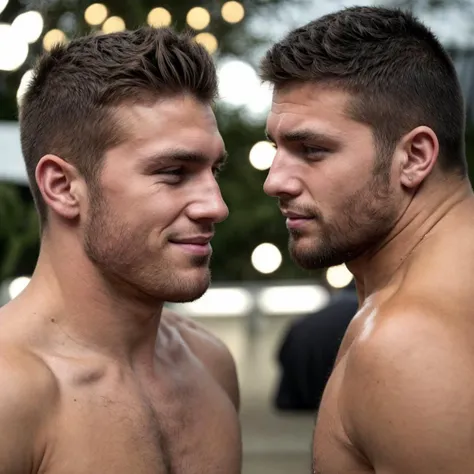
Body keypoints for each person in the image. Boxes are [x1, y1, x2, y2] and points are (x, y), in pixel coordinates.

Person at [0, 27, 242, 473]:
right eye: (173, 172)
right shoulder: (10, 392)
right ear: (63, 187)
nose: (216, 205)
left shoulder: (211, 365)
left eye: (213, 170)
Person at [260, 5, 474, 473]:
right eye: (277, 148)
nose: (275, 181)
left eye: (311, 149)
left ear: (415, 156)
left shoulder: (408, 344)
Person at [274, 281, 357, 412]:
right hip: (340, 408)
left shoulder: (302, 324)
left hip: (293, 406)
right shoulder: (367, 322)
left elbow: (281, 356)